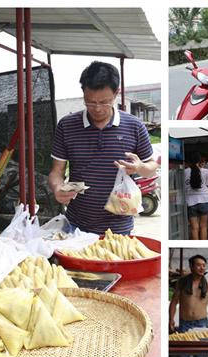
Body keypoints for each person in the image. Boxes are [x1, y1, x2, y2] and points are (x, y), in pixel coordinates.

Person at [48, 61, 158, 235]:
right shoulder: (67, 126)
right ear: (83, 93)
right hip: (76, 226)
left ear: (116, 93)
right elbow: (56, 172)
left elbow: (152, 168)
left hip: (119, 228)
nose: (97, 109)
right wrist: (57, 188)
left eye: (104, 102)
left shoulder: (135, 126)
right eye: (90, 102)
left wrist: (140, 168)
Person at [169, 255, 208, 332]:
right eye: (198, 265)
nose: (202, 268)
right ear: (191, 267)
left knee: (200, 343)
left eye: (204, 265)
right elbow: (174, 302)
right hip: (185, 323)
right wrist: (171, 319)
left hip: (201, 323)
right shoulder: (182, 282)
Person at [184, 152, 208, 240]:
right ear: (199, 160)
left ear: (188, 162)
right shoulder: (206, 172)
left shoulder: (184, 173)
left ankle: (196, 245)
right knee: (204, 227)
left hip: (190, 202)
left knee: (194, 228)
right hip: (205, 200)